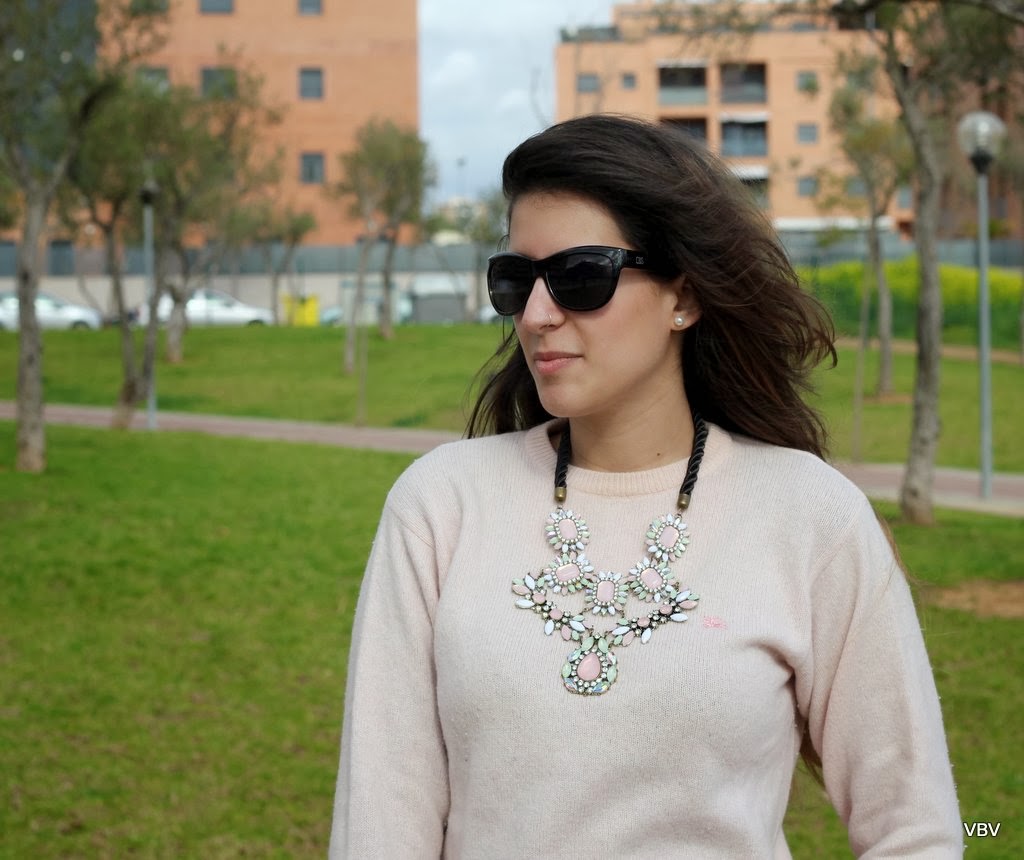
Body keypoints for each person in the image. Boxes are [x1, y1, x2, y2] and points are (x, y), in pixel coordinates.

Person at [329, 114, 962, 858]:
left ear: (682, 297)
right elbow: (380, 824)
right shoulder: (440, 506)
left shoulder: (812, 517)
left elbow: (914, 828)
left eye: (580, 276)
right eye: (516, 281)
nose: (536, 314)